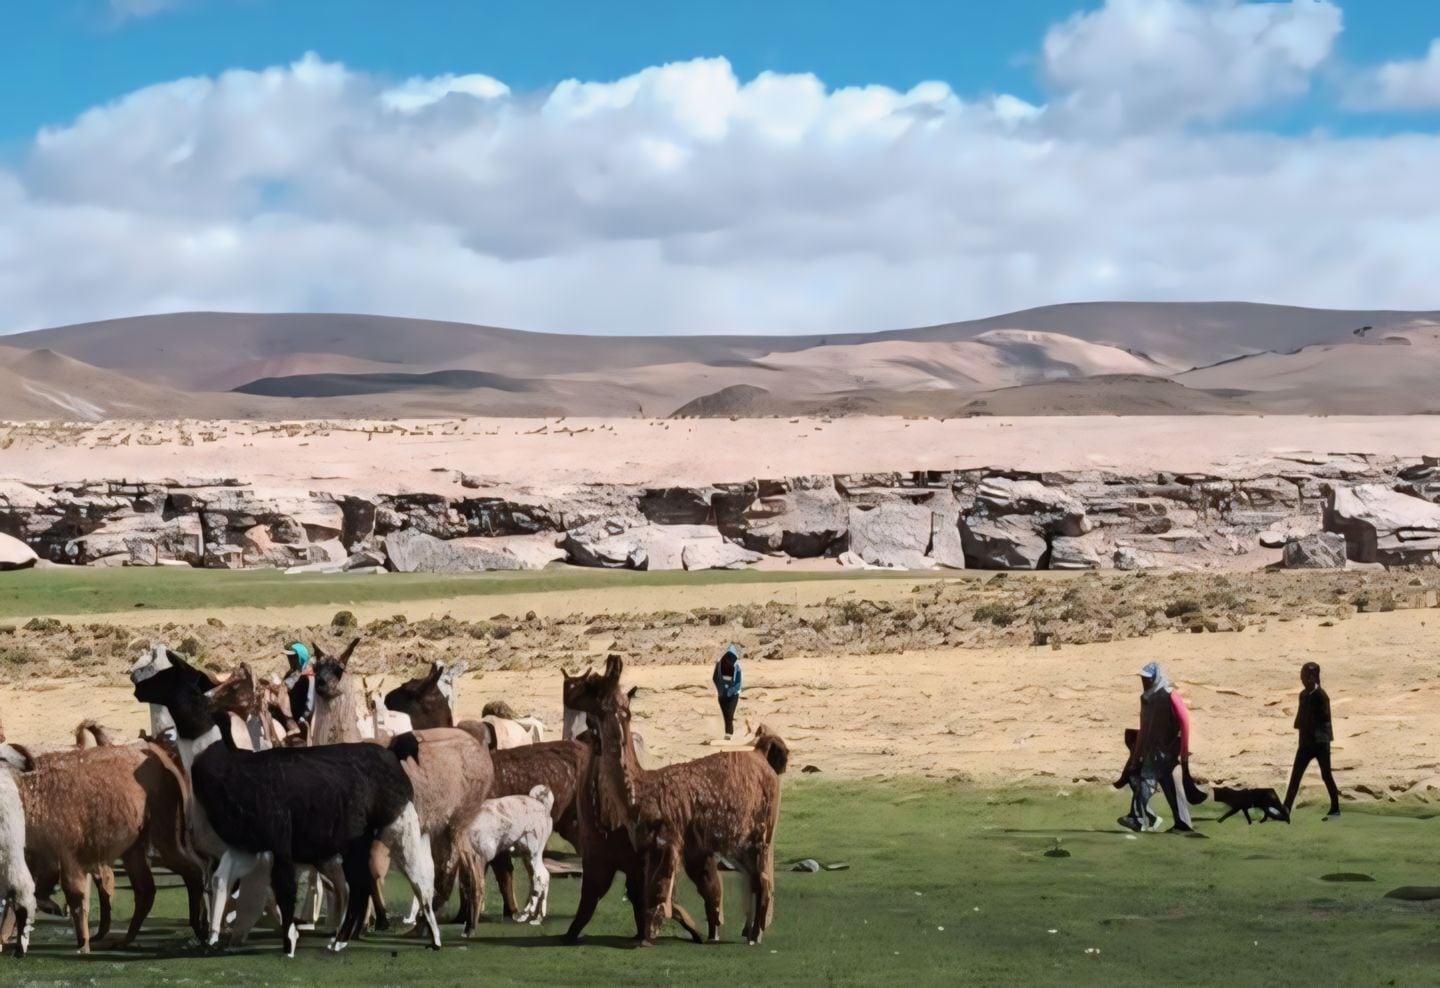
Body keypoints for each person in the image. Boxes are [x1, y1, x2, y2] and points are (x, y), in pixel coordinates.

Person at [1117, 662, 1194, 833]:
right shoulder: (1146, 699)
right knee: (1167, 787)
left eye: (1147, 679)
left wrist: (1184, 750)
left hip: (1169, 749)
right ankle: (1178, 824)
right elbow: (1144, 727)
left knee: (1147, 780)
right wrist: (1137, 755)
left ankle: (1139, 818)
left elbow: (1184, 721)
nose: (1144, 682)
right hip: (1153, 751)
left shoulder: (1169, 695)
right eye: (1142, 679)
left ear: (1155, 678)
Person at [1283, 661, 1341, 819]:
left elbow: (1324, 721)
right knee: (1295, 775)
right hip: (1306, 742)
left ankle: (1335, 807)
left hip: (1320, 743)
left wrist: (1321, 739)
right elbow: (1301, 719)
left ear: (1313, 677)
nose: (1302, 679)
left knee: (1326, 775)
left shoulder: (1321, 696)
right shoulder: (1303, 695)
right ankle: (1286, 807)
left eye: (1305, 676)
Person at [283, 641, 316, 736]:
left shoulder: (309, 676)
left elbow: (311, 702)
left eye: (293, 657)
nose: (290, 660)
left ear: (300, 657)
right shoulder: (293, 672)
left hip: (302, 721)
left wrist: (302, 719)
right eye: (289, 657)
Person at [712, 644, 743, 740]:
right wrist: (721, 689)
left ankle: (728, 734)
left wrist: (730, 690)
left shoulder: (736, 667)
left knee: (729, 714)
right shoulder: (719, 665)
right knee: (726, 715)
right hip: (722, 695)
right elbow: (715, 678)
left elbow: (738, 683)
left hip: (732, 695)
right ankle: (729, 733)